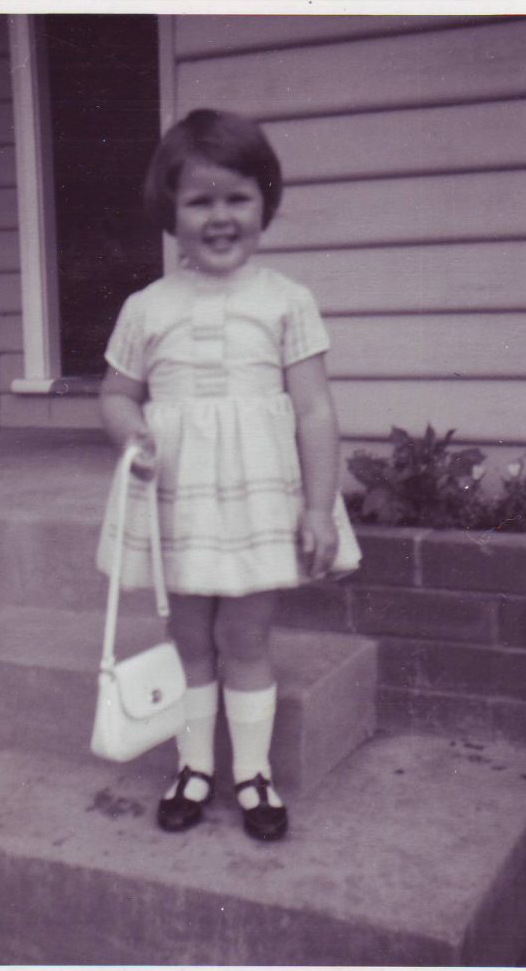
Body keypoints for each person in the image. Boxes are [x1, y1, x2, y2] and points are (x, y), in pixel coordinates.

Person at [97, 108, 360, 841]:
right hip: (179, 503)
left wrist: (316, 509)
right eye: (200, 200)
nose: (220, 217)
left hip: (253, 506)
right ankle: (193, 767)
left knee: (245, 637)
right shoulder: (147, 307)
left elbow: (313, 411)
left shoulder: (287, 301)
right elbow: (117, 394)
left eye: (237, 198)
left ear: (264, 204)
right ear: (171, 212)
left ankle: (252, 774)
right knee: (189, 637)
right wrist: (133, 433)